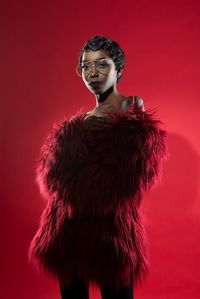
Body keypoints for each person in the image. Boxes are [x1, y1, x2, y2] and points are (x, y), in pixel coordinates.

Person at [28, 35, 167, 299]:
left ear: (119, 69)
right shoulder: (77, 123)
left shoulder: (130, 104)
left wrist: (82, 189)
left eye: (102, 65)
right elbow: (55, 175)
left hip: (110, 230)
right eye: (86, 66)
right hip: (67, 229)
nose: (92, 72)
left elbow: (130, 171)